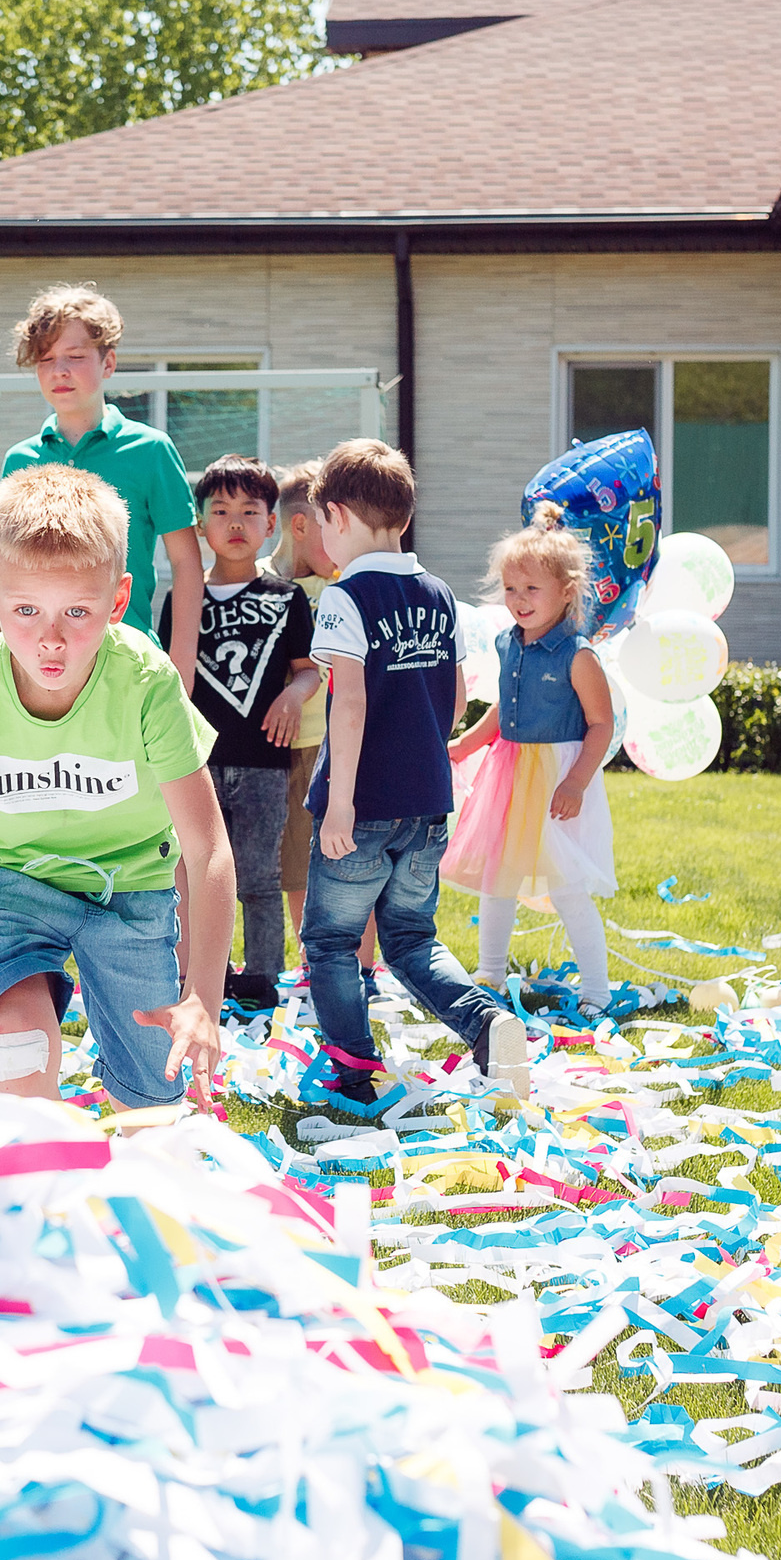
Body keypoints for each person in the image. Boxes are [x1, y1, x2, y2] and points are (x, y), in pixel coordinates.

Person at [0, 465, 232, 1113]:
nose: (51, 638)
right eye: (26, 610)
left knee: (152, 1109)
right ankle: (40, 1184)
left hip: (132, 890)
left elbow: (207, 850)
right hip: (14, 884)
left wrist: (202, 994)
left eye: (78, 612)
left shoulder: (145, 683)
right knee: (18, 1039)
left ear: (117, 602)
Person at [300, 439, 527, 1108]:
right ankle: (488, 1024)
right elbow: (454, 698)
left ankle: (350, 1068)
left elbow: (350, 704)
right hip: (427, 804)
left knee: (333, 940)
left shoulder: (345, 597)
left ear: (337, 516)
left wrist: (339, 803)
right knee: (410, 938)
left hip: (361, 803)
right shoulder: (439, 595)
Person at [158, 455, 321, 1014]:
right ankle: (196, 969)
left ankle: (261, 974)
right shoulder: (181, 597)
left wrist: (294, 695)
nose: (234, 522)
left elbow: (309, 668)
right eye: (220, 510)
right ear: (199, 526)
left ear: (270, 524)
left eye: (249, 511)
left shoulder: (287, 597)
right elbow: (164, 676)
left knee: (257, 869)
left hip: (263, 759)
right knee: (192, 866)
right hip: (194, 761)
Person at [445, 504, 619, 1017]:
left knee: (566, 887)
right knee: (499, 877)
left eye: (532, 589)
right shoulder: (509, 644)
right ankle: (490, 973)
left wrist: (577, 783)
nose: (518, 601)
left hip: (556, 778)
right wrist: (466, 744)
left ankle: (597, 992)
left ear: (566, 591)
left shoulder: (577, 654)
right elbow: (504, 706)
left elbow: (601, 724)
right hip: (510, 773)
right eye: (510, 590)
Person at [0, 285, 204, 690]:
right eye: (46, 359)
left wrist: (181, 664)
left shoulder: (151, 450)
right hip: (41, 669)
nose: (60, 370)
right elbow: (9, 575)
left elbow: (186, 563)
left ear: (108, 362)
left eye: (75, 357)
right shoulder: (19, 461)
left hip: (128, 666)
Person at [271, 462, 380, 988]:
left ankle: (364, 966)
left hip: (340, 744)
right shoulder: (262, 588)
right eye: (333, 527)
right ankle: (313, 966)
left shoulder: (350, 587)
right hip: (284, 749)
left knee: (353, 856)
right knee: (297, 863)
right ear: (300, 526)